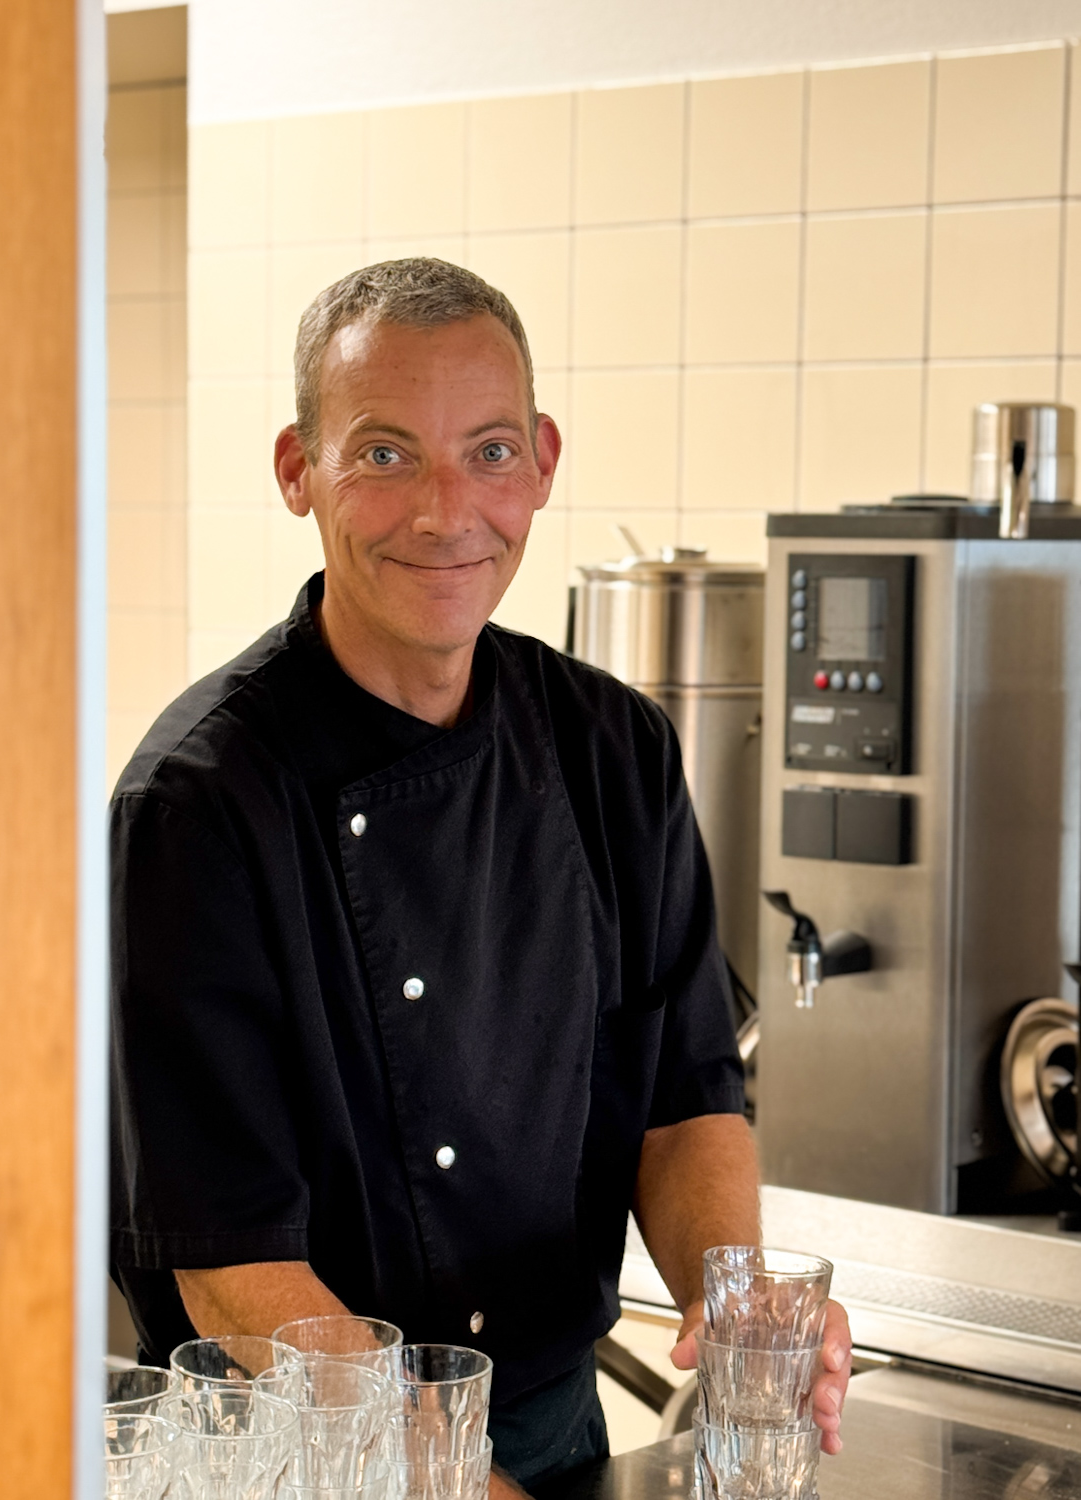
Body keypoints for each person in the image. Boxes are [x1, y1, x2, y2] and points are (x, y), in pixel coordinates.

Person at [109, 258, 851, 1495]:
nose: (447, 512)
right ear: (298, 471)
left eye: (490, 452)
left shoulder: (615, 748)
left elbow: (685, 1101)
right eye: (385, 454)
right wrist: (446, 1472)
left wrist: (735, 1305)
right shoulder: (197, 805)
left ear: (543, 462)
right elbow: (229, 1260)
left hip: (554, 1427)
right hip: (312, 1452)